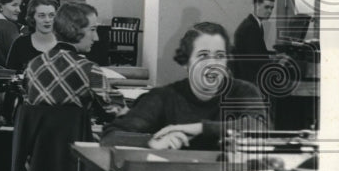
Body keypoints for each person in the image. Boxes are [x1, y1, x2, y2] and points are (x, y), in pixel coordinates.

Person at [101, 22, 268, 150]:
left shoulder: (243, 91)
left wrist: (199, 128)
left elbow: (259, 128)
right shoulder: (163, 97)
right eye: (203, 56)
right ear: (186, 62)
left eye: (219, 56)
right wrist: (151, 142)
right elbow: (111, 137)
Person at [25, 2, 124, 117]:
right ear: (74, 30)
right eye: (92, 30)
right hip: (75, 134)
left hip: (39, 134)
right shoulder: (90, 70)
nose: (96, 38)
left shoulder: (32, 65)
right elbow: (117, 111)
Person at [5, 0, 58, 72]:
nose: (47, 20)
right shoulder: (20, 44)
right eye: (41, 16)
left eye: (51, 15)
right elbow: (11, 75)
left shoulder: (65, 44)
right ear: (32, 18)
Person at [232, 0, 276, 84]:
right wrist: (275, 62)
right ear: (256, 6)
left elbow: (257, 51)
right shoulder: (250, 27)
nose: (270, 11)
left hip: (250, 74)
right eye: (267, 7)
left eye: (272, 8)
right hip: (250, 79)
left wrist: (274, 57)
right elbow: (257, 60)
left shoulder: (254, 24)